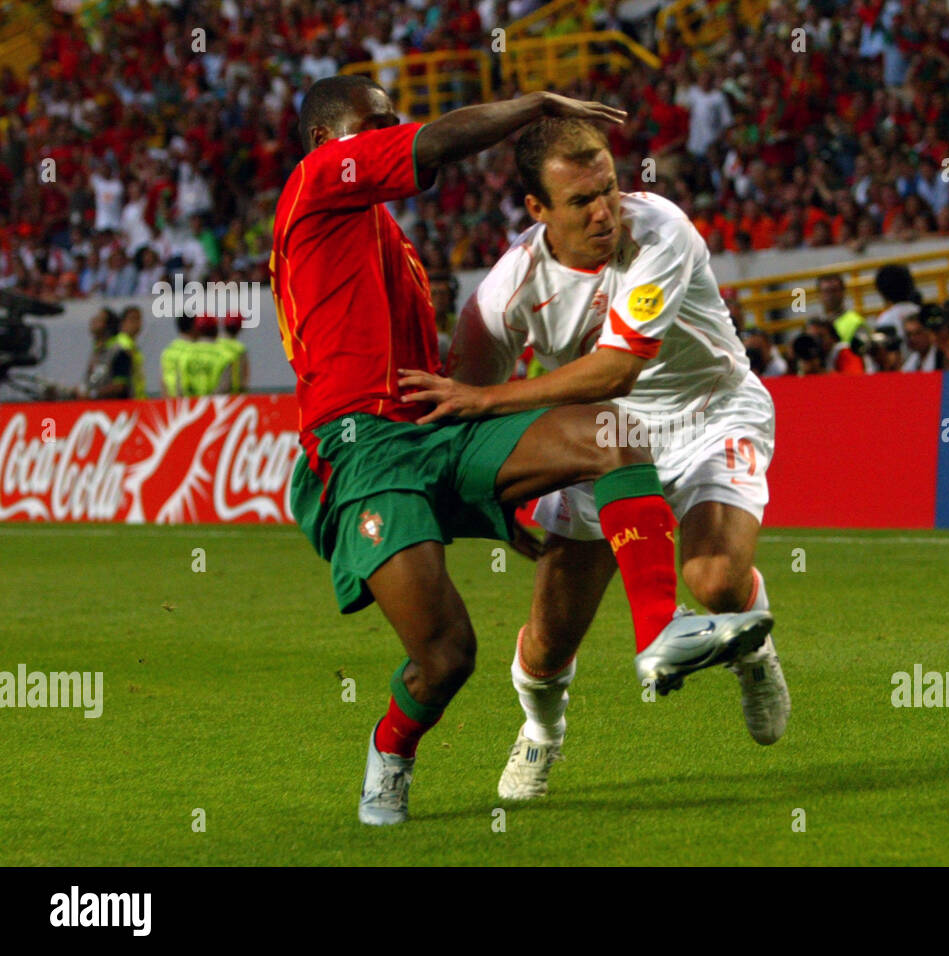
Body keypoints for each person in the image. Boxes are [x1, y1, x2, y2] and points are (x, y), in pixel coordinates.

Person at [270, 77, 771, 826]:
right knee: (446, 656)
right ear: (322, 145)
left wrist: (494, 483)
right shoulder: (314, 187)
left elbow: (464, 384)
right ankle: (390, 751)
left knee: (610, 430)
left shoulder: (387, 239)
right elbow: (437, 143)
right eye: (372, 126)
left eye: (392, 122)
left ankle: (660, 630)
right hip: (359, 446)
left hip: (430, 432)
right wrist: (536, 106)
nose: (391, 133)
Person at [401, 117, 791, 800]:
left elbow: (611, 373)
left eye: (608, 189)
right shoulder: (503, 294)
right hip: (601, 444)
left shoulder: (660, 230)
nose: (605, 211)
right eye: (581, 201)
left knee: (716, 581)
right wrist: (496, 497)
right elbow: (470, 407)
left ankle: (752, 651)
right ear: (537, 210)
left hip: (709, 414)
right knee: (548, 644)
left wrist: (487, 399)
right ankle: (542, 734)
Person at [110, 305, 146, 399]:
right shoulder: (122, 345)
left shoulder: (132, 345)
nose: (137, 324)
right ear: (122, 323)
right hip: (128, 399)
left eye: (139, 319)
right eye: (132, 319)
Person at [818, 273, 866, 342]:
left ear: (843, 292)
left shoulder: (855, 322)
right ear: (819, 295)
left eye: (834, 290)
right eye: (826, 291)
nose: (830, 295)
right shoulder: (815, 326)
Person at [160, 313, 200, 397]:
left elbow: (163, 381)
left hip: (170, 401)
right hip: (189, 401)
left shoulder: (168, 351)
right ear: (194, 326)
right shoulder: (196, 351)